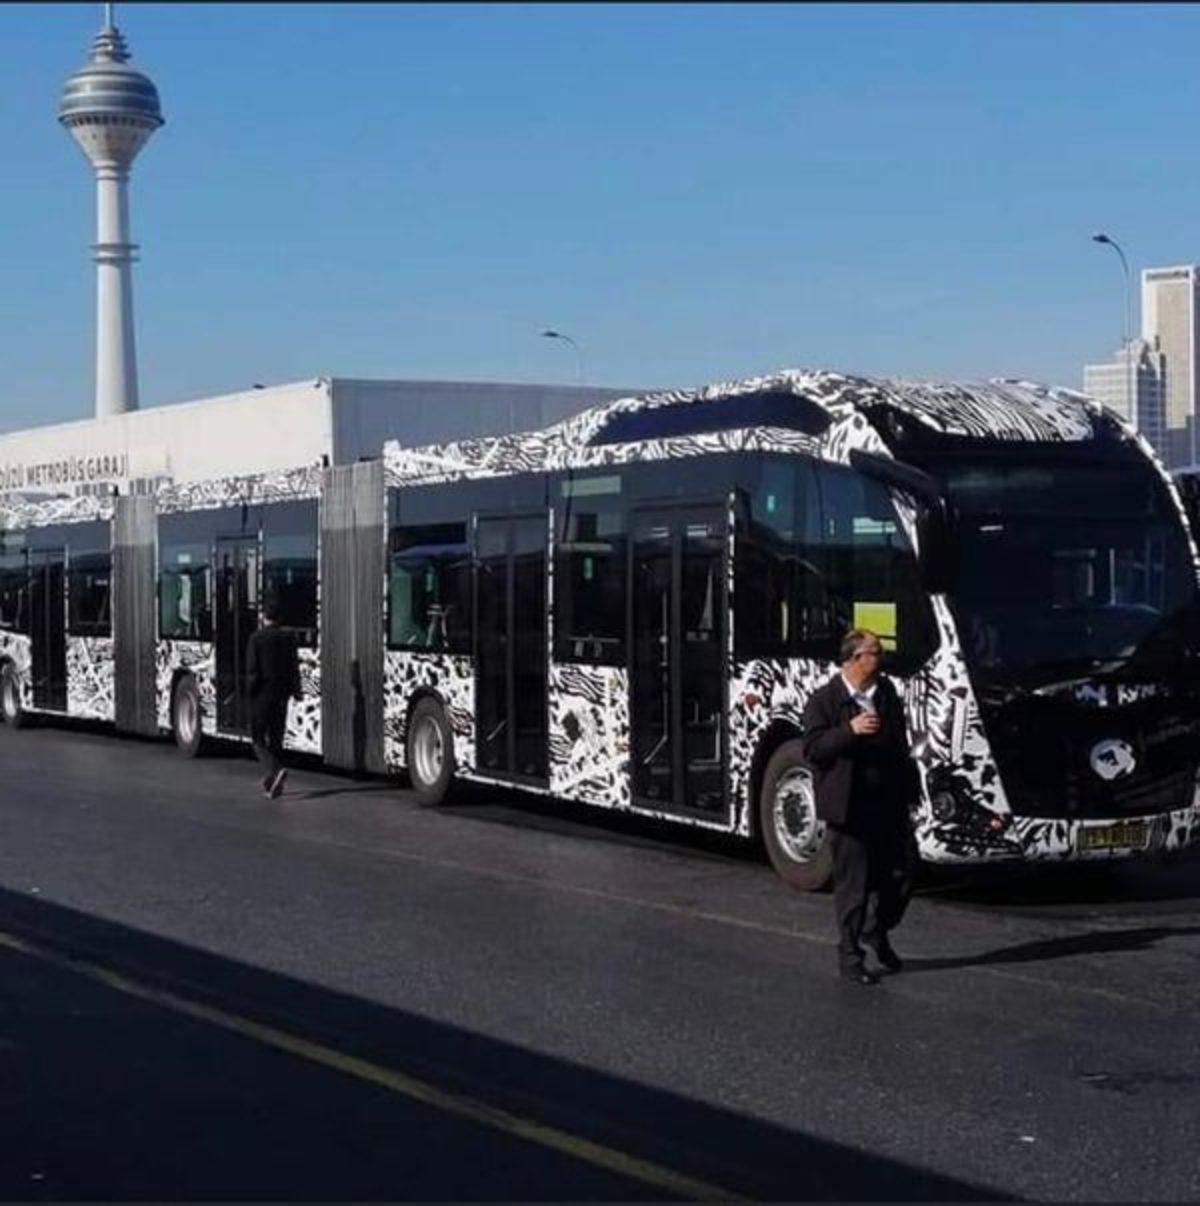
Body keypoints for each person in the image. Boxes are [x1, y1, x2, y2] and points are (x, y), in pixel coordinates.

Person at [801, 628, 918, 986]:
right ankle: (851, 956)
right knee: (854, 885)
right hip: (849, 806)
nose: (880, 659)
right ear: (854, 660)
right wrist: (849, 730)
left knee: (902, 874)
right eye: (874, 653)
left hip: (888, 802)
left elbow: (900, 744)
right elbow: (813, 749)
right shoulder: (825, 699)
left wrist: (912, 790)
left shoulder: (886, 694)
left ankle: (876, 929)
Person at [245, 598, 301, 799]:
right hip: (282, 694)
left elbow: (253, 670)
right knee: (276, 738)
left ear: (263, 616)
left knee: (258, 738)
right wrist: (297, 691)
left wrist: (248, 692)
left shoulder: (256, 639)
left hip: (262, 694)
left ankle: (276, 770)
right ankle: (272, 782)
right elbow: (294, 667)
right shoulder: (289, 638)